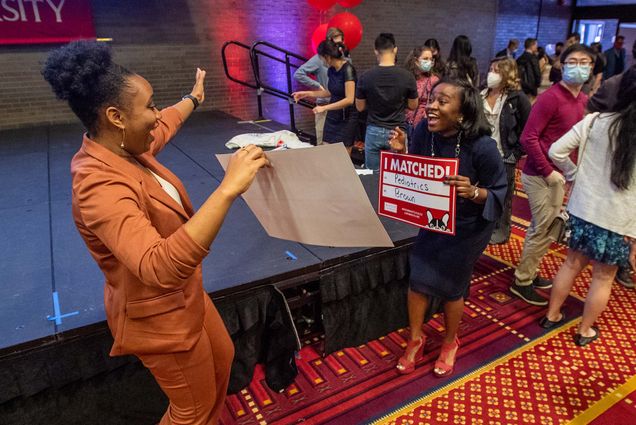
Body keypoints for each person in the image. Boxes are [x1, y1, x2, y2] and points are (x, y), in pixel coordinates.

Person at [42, 41, 270, 425]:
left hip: (185, 297)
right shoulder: (97, 184)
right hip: (158, 318)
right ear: (115, 116)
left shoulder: (127, 147)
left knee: (223, 362)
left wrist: (193, 99)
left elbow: (164, 124)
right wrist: (228, 188)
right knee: (191, 411)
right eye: (148, 105)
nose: (155, 113)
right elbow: (157, 266)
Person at [388, 78, 507, 377]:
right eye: (431, 99)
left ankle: (450, 341)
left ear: (463, 114)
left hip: (469, 225)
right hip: (433, 219)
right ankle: (416, 338)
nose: (431, 106)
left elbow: (501, 192)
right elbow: (417, 174)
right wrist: (402, 154)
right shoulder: (421, 133)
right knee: (418, 277)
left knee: (452, 286)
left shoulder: (483, 148)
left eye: (442, 101)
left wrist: (474, 191)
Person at [540, 69, 636, 346]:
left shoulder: (595, 121)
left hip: (584, 209)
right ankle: (584, 331)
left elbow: (555, 150)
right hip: (619, 220)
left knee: (570, 264)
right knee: (603, 278)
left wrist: (573, 174)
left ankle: (552, 314)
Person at [510, 44, 595, 306]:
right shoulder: (551, 98)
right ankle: (522, 281)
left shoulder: (583, 100)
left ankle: (530, 272)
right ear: (562, 65)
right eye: (572, 61)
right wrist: (548, 171)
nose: (578, 66)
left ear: (591, 68)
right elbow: (529, 137)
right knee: (542, 228)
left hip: (562, 175)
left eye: (584, 62)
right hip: (540, 174)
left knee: (548, 228)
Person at [587, 63, 636, 289]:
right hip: (615, 196)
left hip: (596, 199)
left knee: (574, 263)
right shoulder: (614, 83)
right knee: (603, 275)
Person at [482, 58, 531, 244]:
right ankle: (483, 227)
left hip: (505, 154)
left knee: (503, 195)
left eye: (497, 70)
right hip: (483, 153)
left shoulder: (517, 99)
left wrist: (516, 153)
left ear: (507, 75)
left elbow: (527, 129)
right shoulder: (481, 94)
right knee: (482, 192)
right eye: (491, 69)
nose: (491, 74)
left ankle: (500, 231)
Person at [355, 33, 418, 171]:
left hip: (373, 130)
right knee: (396, 176)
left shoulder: (365, 77)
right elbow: (414, 105)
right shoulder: (407, 76)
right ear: (395, 49)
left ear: (375, 51)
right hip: (397, 132)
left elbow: (360, 107)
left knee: (372, 176)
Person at [292, 40, 358, 152]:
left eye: (321, 58)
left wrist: (324, 107)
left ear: (327, 57)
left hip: (347, 117)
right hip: (333, 116)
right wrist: (307, 93)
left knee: (343, 156)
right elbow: (330, 91)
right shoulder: (331, 70)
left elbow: (349, 99)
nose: (321, 61)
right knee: (327, 148)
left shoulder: (348, 69)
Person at [294, 27, 345, 145]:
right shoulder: (319, 59)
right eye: (335, 43)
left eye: (340, 43)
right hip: (325, 104)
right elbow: (298, 74)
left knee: (339, 145)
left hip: (340, 106)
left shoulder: (345, 61)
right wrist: (317, 85)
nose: (338, 46)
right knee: (322, 143)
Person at [404, 46, 440, 135]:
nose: (429, 62)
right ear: (416, 61)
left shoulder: (433, 80)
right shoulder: (407, 78)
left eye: (431, 59)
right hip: (406, 123)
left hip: (424, 125)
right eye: (425, 58)